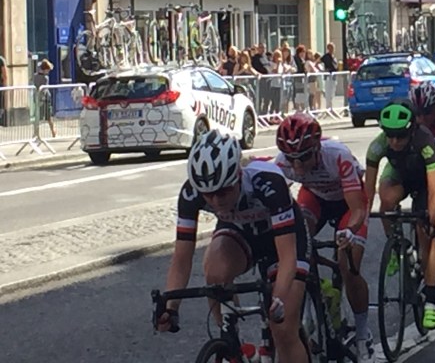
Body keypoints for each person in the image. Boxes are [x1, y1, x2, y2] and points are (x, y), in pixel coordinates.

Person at [156, 130, 308, 363]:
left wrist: (278, 299)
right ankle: (233, 345)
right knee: (214, 272)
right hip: (241, 232)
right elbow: (181, 258)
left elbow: (288, 257)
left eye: (224, 191)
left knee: (284, 330)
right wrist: (171, 307)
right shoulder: (191, 193)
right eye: (209, 195)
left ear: (238, 175)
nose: (217, 201)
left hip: (282, 238)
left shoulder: (267, 183)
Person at [274, 114, 374, 362]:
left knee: (347, 264)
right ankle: (317, 294)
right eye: (291, 159)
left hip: (348, 203)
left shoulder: (338, 156)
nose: (297, 166)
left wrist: (349, 231)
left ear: (317, 147)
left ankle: (363, 334)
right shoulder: (281, 164)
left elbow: (358, 209)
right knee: (297, 242)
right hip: (315, 197)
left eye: (304, 157)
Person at [363, 99, 435, 330]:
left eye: (400, 136)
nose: (394, 141)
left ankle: (431, 301)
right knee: (386, 200)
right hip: (401, 175)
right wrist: (361, 220)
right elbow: (368, 191)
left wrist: (432, 218)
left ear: (411, 130)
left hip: (426, 181)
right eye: (390, 136)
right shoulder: (378, 146)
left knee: (428, 232)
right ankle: (399, 245)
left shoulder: (425, 142)